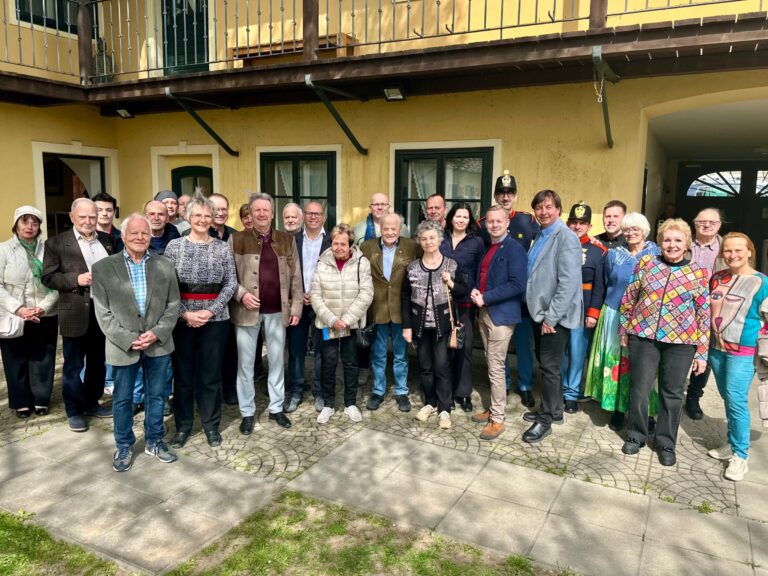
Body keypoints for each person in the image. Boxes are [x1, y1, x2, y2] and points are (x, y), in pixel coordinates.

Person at [92, 214, 180, 472]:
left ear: (151, 235)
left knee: (157, 395)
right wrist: (130, 339)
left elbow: (173, 304)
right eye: (134, 233)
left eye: (144, 233)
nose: (140, 237)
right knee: (122, 399)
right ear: (124, 235)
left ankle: (154, 440)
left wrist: (157, 332)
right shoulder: (103, 268)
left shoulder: (165, 265)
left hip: (158, 343)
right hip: (122, 346)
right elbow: (103, 312)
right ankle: (124, 445)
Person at [620, 219, 710, 466]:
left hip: (681, 343)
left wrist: (702, 352)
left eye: (678, 240)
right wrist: (624, 329)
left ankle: (665, 441)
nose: (672, 245)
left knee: (672, 392)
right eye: (667, 240)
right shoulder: (647, 263)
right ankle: (636, 434)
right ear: (659, 242)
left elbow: (704, 314)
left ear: (687, 243)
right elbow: (629, 297)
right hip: (643, 336)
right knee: (640, 387)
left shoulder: (699, 271)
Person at [164, 194, 237, 448]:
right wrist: (185, 313)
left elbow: (231, 284)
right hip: (182, 320)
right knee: (183, 377)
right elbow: (168, 286)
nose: (203, 220)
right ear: (188, 217)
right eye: (198, 215)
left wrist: (210, 312)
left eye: (207, 215)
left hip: (216, 321)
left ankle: (211, 425)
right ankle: (183, 427)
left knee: (210, 376)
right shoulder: (174, 247)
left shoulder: (222, 247)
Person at [229, 193, 302, 435]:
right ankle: (247, 412)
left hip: (277, 312)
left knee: (277, 362)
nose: (261, 214)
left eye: (266, 210)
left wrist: (296, 307)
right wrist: (241, 294)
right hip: (246, 313)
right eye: (256, 210)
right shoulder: (236, 240)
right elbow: (228, 277)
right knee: (246, 365)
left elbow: (296, 278)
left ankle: (276, 407)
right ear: (250, 213)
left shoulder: (285, 239)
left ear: (272, 213)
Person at [42, 198, 117, 432]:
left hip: (104, 310)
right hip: (74, 311)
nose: (88, 221)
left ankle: (92, 402)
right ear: (72, 217)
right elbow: (48, 277)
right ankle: (74, 410)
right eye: (82, 217)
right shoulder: (56, 243)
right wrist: (76, 279)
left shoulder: (108, 241)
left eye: (92, 217)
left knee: (98, 362)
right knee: (73, 365)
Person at [585, 213, 660, 431]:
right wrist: (595, 312)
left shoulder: (656, 254)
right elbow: (602, 284)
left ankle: (647, 411)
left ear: (644, 230)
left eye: (635, 229)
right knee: (617, 364)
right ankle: (618, 408)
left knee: (644, 366)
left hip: (645, 319)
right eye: (627, 229)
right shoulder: (612, 255)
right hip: (614, 314)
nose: (630, 233)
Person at [521, 190, 582, 443]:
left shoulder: (566, 237)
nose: (543, 212)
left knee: (549, 368)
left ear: (558, 209)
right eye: (539, 208)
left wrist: (551, 318)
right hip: (539, 313)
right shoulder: (541, 235)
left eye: (548, 207)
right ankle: (555, 410)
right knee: (548, 365)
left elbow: (568, 283)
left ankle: (544, 420)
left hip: (553, 316)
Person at [706, 233, 768, 481]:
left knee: (735, 399)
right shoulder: (717, 278)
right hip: (716, 348)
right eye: (728, 251)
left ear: (750, 251)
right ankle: (732, 443)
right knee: (727, 397)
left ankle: (740, 456)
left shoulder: (762, 283)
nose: (732, 255)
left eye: (738, 250)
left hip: (743, 352)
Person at [478, 170, 539, 408]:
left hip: (521, 295)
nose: (505, 196)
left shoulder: (527, 220)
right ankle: (501, 385)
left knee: (523, 344)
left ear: (515, 195)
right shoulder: (483, 224)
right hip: (495, 297)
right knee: (496, 350)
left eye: (510, 192)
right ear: (495, 195)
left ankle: (525, 385)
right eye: (501, 193)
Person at [468, 206, 527, 438]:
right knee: (493, 363)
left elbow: (517, 284)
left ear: (507, 223)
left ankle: (498, 419)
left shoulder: (515, 249)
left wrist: (486, 297)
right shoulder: (489, 246)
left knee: (495, 366)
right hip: (485, 312)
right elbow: (484, 276)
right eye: (490, 221)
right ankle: (494, 408)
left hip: (501, 315)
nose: (493, 225)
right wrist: (476, 291)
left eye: (498, 221)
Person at [404, 221, 468, 430]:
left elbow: (461, 292)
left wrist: (450, 282)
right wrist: (407, 326)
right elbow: (405, 297)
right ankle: (430, 403)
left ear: (440, 239)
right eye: (424, 238)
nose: (428, 242)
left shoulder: (451, 265)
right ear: (419, 242)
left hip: (443, 324)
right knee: (425, 367)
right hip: (420, 325)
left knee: (442, 366)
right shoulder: (412, 268)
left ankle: (445, 408)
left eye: (432, 238)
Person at [311, 224, 373, 424]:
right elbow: (315, 295)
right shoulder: (322, 262)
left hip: (351, 325)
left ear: (350, 244)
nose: (339, 247)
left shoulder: (361, 262)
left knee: (351, 363)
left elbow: (366, 294)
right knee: (328, 364)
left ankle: (350, 403)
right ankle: (329, 404)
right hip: (328, 324)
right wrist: (332, 320)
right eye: (335, 243)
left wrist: (346, 320)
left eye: (343, 244)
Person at [0, 206, 58, 418]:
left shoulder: (49, 249)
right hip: (14, 314)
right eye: (25, 222)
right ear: (16, 225)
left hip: (45, 312)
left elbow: (56, 282)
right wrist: (19, 309)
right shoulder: (3, 250)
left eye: (34, 223)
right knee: (15, 359)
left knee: (43, 358)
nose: (30, 227)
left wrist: (43, 307)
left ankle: (41, 399)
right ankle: (21, 402)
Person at [361, 213, 419, 413]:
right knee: (378, 355)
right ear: (380, 228)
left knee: (401, 355)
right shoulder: (367, 247)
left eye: (394, 228)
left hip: (401, 310)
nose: (389, 232)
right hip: (377, 309)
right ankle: (378, 391)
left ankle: (401, 392)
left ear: (400, 229)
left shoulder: (412, 246)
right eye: (386, 228)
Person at [285, 201, 330, 413]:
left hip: (322, 304)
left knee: (322, 350)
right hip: (297, 303)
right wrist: (298, 294)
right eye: (309, 213)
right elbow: (286, 272)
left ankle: (319, 392)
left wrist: (316, 295)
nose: (313, 217)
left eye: (317, 214)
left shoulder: (331, 241)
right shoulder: (292, 240)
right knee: (296, 349)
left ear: (323, 217)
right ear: (304, 216)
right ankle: (296, 390)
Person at [439, 202, 484, 412]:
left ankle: (463, 393)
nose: (461, 220)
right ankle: (444, 390)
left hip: (465, 300)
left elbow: (480, 271)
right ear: (451, 217)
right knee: (444, 346)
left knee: (464, 347)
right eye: (458, 216)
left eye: (465, 217)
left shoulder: (476, 242)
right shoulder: (441, 238)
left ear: (470, 220)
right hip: (441, 299)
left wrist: (476, 293)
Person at [561, 202, 606, 414]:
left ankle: (571, 393)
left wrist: (593, 313)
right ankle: (558, 387)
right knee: (559, 351)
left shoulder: (598, 251)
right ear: (568, 223)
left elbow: (600, 285)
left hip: (583, 307)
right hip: (559, 307)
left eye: (582, 223)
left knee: (578, 353)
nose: (577, 226)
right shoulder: (558, 243)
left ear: (589, 226)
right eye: (574, 222)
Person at [685, 207, 727, 420]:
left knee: (705, 354)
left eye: (712, 222)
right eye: (702, 221)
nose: (707, 225)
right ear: (695, 223)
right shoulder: (684, 243)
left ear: (719, 225)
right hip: (682, 307)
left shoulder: (726, 249)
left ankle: (693, 396)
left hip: (711, 308)